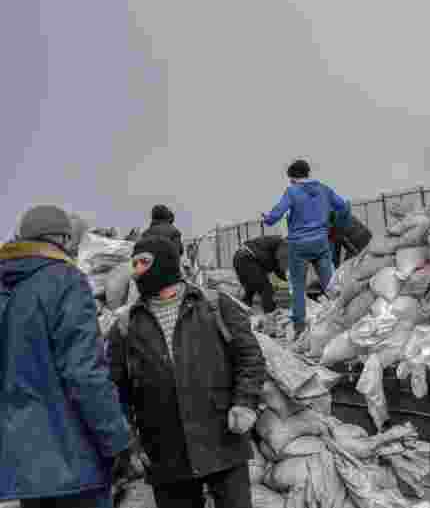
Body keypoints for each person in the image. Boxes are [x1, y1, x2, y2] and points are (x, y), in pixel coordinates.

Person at [108, 236, 265, 508]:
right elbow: (115, 388)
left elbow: (250, 357)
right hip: (165, 452)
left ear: (165, 263)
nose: (137, 270)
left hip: (222, 440)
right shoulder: (125, 324)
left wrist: (245, 402)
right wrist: (130, 441)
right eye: (133, 263)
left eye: (144, 262)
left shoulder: (215, 304)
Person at [1, 205, 135, 508]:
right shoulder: (65, 281)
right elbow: (84, 373)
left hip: (25, 466)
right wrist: (117, 441)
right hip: (74, 460)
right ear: (63, 239)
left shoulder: (6, 286)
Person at [262, 159, 351, 338]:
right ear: (308, 173)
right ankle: (345, 318)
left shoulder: (292, 191)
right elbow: (343, 206)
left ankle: (299, 329)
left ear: (292, 178)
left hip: (299, 245)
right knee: (331, 285)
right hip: (321, 242)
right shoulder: (324, 189)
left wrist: (267, 218)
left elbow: (277, 214)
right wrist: (334, 226)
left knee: (298, 288)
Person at [233, 234, 286, 317]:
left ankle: (240, 317)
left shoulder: (280, 243)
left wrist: (287, 279)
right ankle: (271, 318)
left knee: (250, 290)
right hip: (247, 258)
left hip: (240, 257)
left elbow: (278, 268)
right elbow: (279, 265)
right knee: (266, 289)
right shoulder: (283, 243)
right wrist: (291, 280)